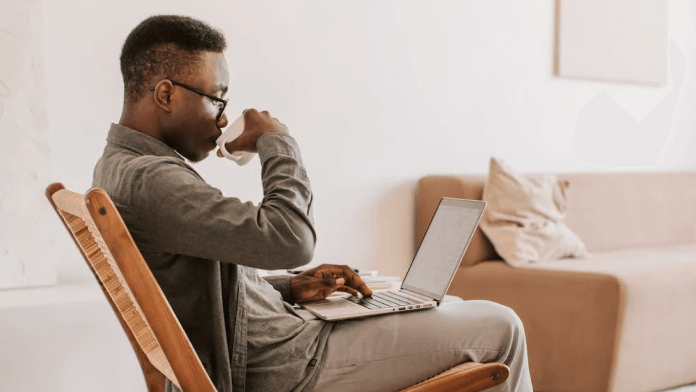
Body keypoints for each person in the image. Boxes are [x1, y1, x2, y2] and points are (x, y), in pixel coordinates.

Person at [93, 14, 533, 392]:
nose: (225, 118)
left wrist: (289, 287)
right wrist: (277, 142)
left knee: (449, 309)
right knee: (501, 325)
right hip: (289, 364)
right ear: (166, 94)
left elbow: (203, 279)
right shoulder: (152, 178)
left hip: (282, 341)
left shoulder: (121, 167)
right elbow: (291, 238)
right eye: (217, 98)